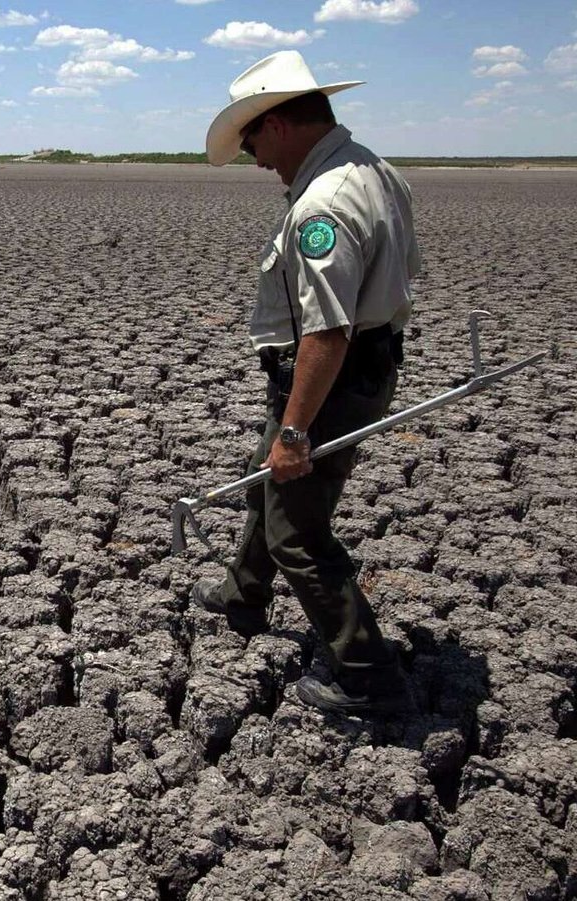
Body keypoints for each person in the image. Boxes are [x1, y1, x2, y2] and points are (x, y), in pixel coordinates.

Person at [194, 50, 420, 716]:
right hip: (348, 371)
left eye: (253, 142)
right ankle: (243, 593)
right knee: (267, 482)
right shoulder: (372, 169)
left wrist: (294, 430)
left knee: (297, 529)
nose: (256, 159)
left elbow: (328, 331)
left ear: (280, 123)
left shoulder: (325, 203)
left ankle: (367, 676)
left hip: (329, 380)